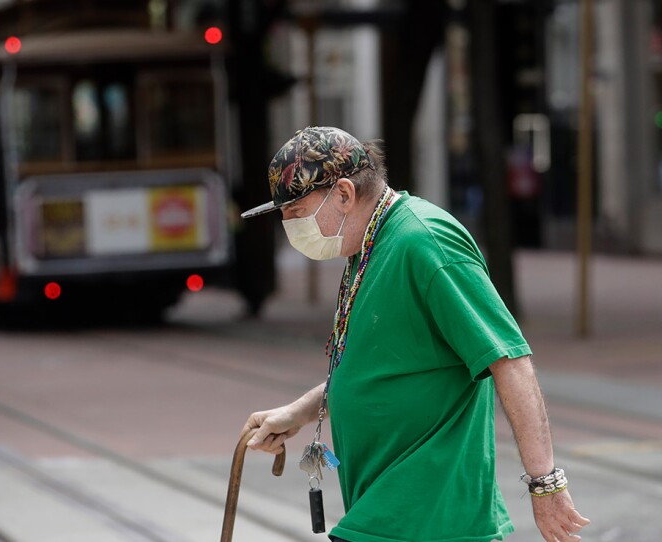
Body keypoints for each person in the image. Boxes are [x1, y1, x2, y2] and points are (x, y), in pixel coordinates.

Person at [240, 127, 590, 542]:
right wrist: (298, 412)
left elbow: (509, 359)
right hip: (388, 510)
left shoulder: (425, 241)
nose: (289, 225)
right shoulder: (366, 248)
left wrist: (545, 484)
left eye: (296, 212)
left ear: (345, 195)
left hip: (427, 515)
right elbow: (377, 368)